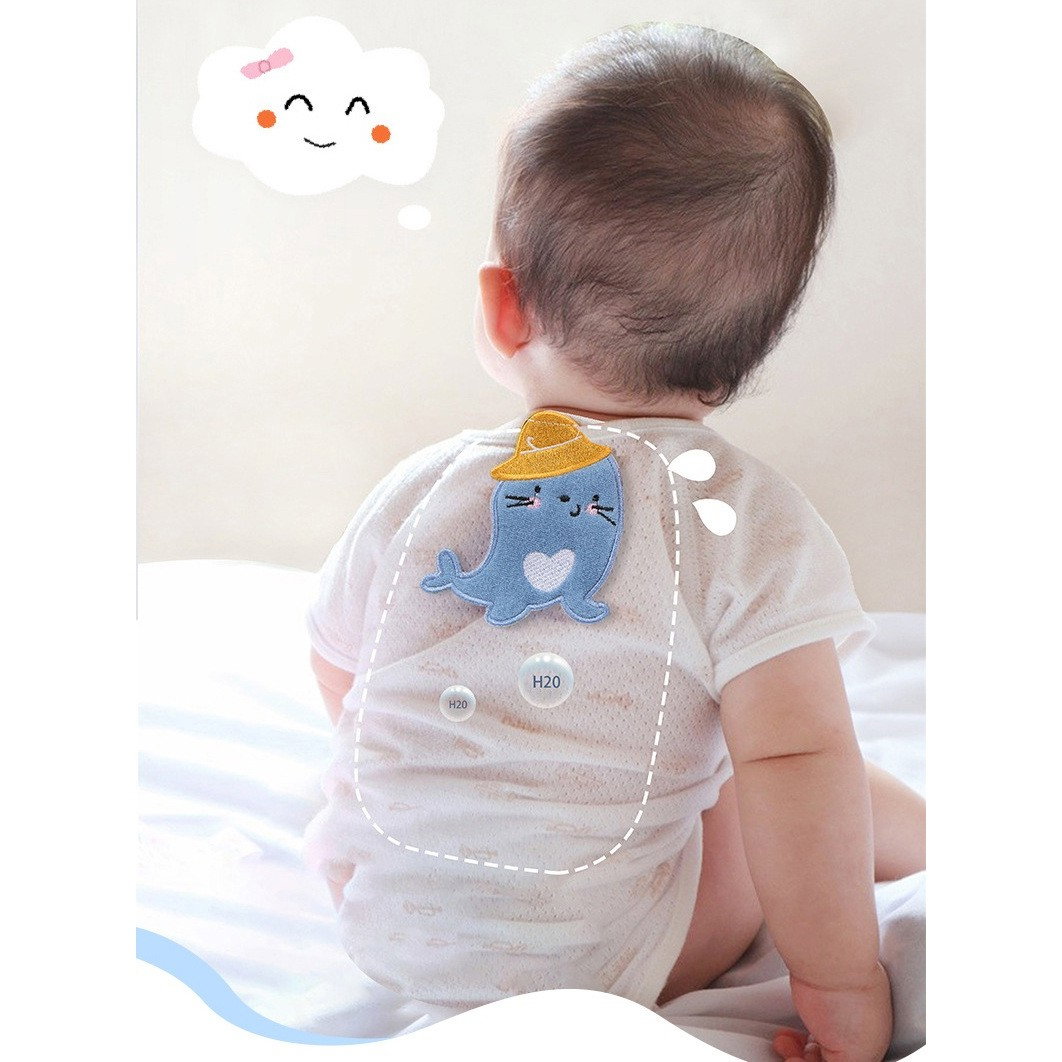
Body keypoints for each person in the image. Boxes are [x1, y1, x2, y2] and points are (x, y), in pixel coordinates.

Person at [306, 24, 925, 1062]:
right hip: (607, 955)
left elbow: (341, 668)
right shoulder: (745, 524)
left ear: (503, 308)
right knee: (780, 763)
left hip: (388, 922)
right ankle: (935, 836)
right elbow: (800, 762)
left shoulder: (418, 491)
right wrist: (840, 983)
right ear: (753, 347)